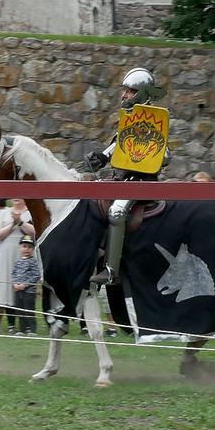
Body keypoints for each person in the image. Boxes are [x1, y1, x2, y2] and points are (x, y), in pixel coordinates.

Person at [84, 67, 168, 286]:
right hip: (123, 180)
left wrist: (149, 155)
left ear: (141, 93)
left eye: (129, 91)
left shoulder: (153, 121)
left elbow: (165, 155)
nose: (124, 95)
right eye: (125, 91)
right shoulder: (128, 120)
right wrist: (101, 157)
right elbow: (119, 146)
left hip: (141, 182)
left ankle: (112, 271)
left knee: (117, 210)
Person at [0, 198, 35, 333]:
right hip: (6, 252)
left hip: (24, 253)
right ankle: (11, 324)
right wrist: (12, 224)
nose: (16, 198)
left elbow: (34, 232)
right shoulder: (5, 213)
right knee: (7, 286)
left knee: (22, 287)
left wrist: (20, 222)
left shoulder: (30, 213)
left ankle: (26, 325)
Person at [10, 238, 41, 335]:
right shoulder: (18, 261)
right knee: (19, 309)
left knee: (29, 309)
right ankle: (21, 329)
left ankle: (31, 329)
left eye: (29, 247)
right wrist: (15, 283)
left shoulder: (33, 261)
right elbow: (13, 273)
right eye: (24, 246)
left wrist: (26, 284)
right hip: (18, 290)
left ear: (33, 249)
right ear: (20, 247)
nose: (26, 249)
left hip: (29, 291)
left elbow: (36, 275)